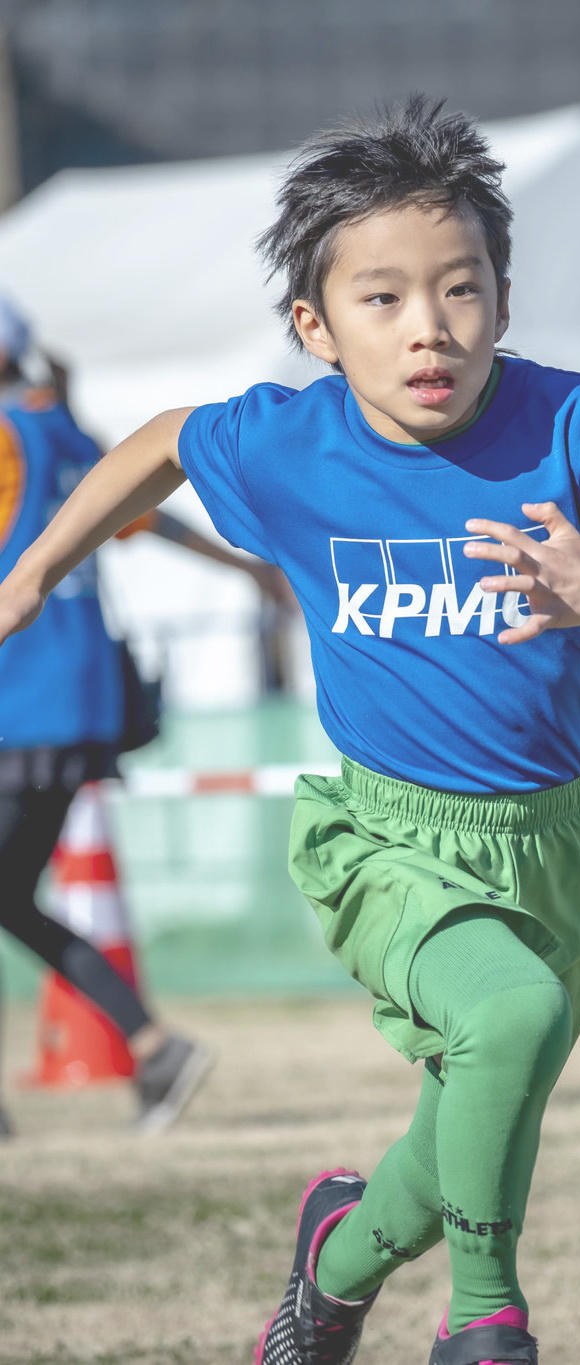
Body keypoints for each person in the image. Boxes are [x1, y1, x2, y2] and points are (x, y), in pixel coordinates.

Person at [0, 100, 580, 1365]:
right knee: (509, 1020)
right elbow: (164, 444)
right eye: (381, 299)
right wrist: (33, 574)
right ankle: (485, 1321)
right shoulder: (294, 441)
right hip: (388, 839)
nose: (428, 327)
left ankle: (333, 1269)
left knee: (461, 1127)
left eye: (460, 288)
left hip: (562, 842)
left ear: (505, 297)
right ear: (315, 328)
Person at [0, 294, 227, 1137]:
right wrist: (248, 569)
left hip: (17, 697)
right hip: (77, 700)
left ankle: (154, 1046)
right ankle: (154, 1046)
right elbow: (145, 512)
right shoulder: (60, 429)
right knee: (10, 896)